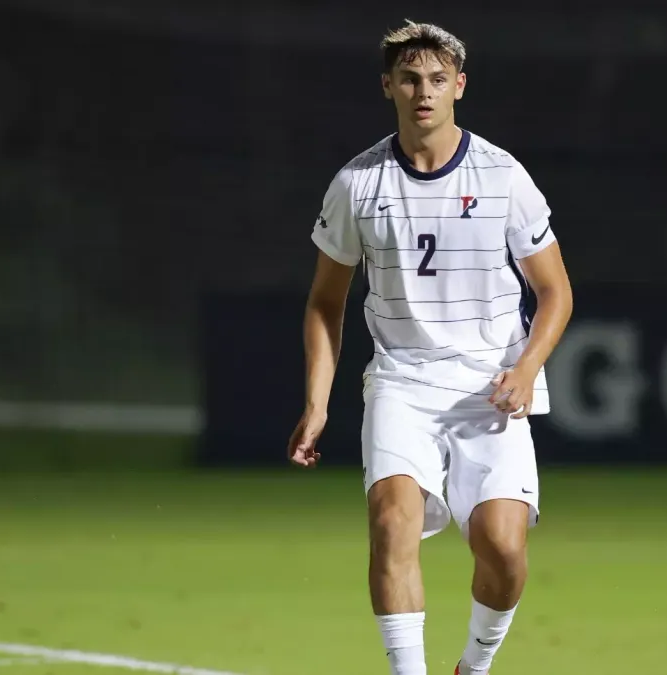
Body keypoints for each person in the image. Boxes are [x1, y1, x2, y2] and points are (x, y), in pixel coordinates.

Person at [287, 19, 574, 675]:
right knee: (391, 522)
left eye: (438, 79)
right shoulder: (357, 185)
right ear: (388, 86)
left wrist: (528, 368)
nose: (425, 91)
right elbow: (325, 301)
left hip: (490, 387)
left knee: (503, 549)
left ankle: (472, 666)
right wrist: (317, 403)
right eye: (411, 79)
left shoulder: (503, 176)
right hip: (402, 382)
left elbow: (555, 292)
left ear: (459, 87)